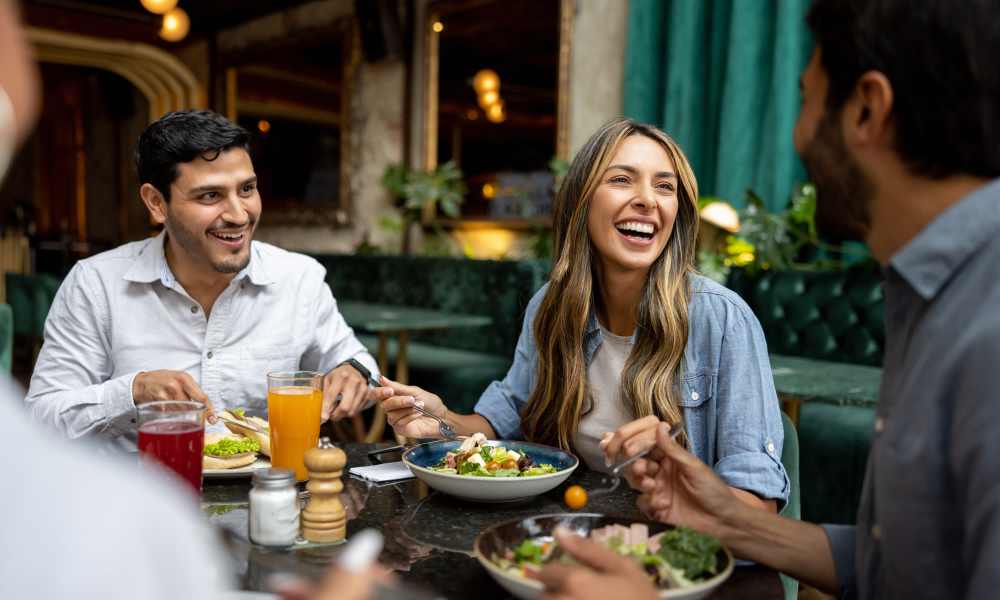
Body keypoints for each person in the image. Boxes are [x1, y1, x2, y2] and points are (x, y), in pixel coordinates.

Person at [542, 0, 1000, 598]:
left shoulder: (985, 330)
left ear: (867, 108)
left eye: (806, 100)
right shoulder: (927, 295)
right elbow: (910, 568)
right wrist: (725, 519)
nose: (798, 135)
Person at [380, 118, 788, 511]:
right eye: (621, 179)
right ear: (581, 201)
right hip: (573, 530)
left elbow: (758, 505)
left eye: (665, 187)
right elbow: (505, 421)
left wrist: (673, 480)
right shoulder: (551, 307)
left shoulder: (722, 319)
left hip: (679, 555)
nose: (647, 199)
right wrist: (443, 422)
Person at [23, 108, 379, 449]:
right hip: (136, 496)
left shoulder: (299, 278)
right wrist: (133, 392)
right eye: (211, 195)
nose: (239, 215)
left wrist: (353, 372)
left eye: (246, 189)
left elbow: (359, 365)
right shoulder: (96, 284)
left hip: (269, 493)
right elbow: (42, 418)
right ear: (156, 203)